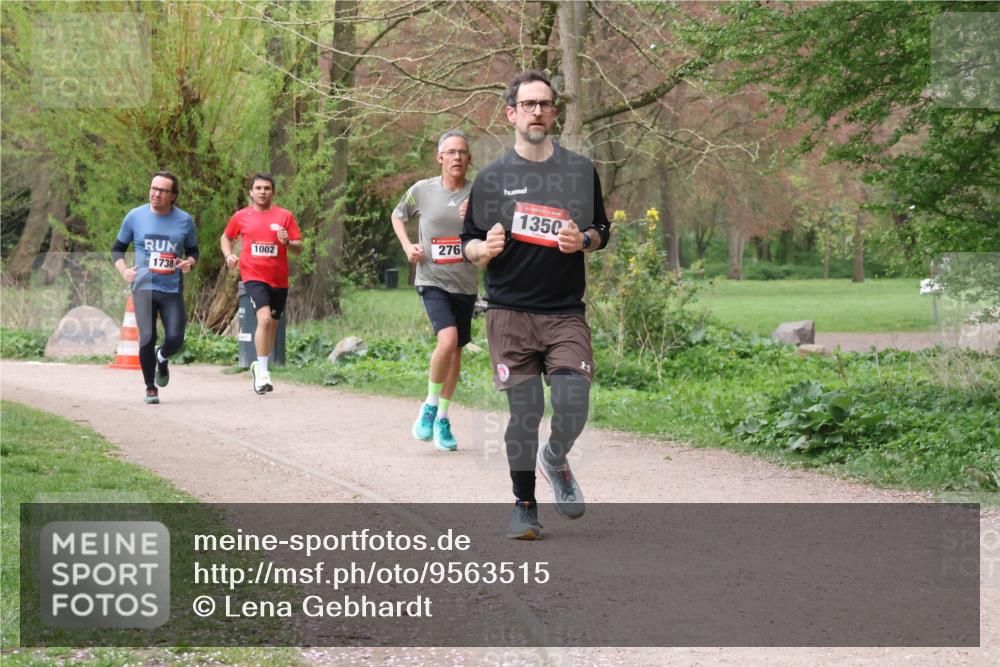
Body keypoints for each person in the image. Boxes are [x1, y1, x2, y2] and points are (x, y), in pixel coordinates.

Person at [461, 71, 612, 540]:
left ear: (554, 112)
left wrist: (581, 239)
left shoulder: (579, 171)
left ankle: (556, 456)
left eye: (545, 104)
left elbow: (602, 231)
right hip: (509, 312)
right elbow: (466, 242)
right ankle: (524, 505)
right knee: (524, 413)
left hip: (564, 310)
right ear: (512, 113)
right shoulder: (491, 178)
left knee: (573, 401)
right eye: (528, 104)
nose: (537, 112)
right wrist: (482, 250)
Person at [391, 129, 476, 451]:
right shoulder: (422, 191)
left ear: (469, 159)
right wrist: (406, 246)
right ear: (440, 158)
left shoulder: (479, 191)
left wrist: (480, 218)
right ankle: (428, 405)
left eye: (462, 152)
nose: (457, 157)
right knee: (448, 339)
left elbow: (497, 228)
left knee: (456, 352)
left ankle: (442, 418)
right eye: (451, 152)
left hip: (465, 283)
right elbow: (398, 216)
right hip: (432, 279)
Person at [112, 171, 199, 404]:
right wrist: (124, 271)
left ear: (173, 195)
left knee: (176, 338)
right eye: (153, 188)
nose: (155, 194)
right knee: (147, 337)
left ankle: (163, 356)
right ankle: (150, 387)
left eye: (162, 190)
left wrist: (189, 263)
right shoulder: (135, 216)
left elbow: (193, 252)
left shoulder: (184, 220)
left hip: (171, 289)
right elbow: (117, 250)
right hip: (143, 288)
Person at [221, 173, 302, 394]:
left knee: (272, 325)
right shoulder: (241, 216)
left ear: (273, 192)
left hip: (278, 279)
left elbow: (298, 247)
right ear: (251, 192)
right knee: (264, 320)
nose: (262, 191)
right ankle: (263, 373)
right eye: (258, 188)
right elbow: (226, 237)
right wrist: (229, 255)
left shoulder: (284, 216)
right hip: (253, 276)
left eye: (267, 188)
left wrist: (287, 242)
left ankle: (259, 364)